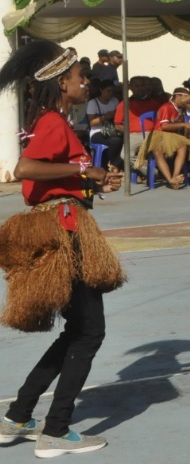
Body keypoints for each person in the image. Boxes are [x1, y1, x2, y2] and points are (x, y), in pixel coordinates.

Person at [0, 41, 125, 457]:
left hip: (62, 223)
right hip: (63, 233)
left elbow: (55, 179)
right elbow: (26, 170)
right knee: (91, 331)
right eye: (80, 78)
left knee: (78, 330)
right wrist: (79, 169)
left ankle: (18, 415)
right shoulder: (53, 123)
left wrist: (94, 181)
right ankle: (56, 430)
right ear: (61, 83)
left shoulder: (49, 121)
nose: (86, 83)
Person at [140, 85, 190, 189]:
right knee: (158, 152)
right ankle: (170, 180)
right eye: (185, 98)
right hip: (159, 134)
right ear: (178, 96)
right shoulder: (166, 107)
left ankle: (175, 176)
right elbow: (164, 126)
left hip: (173, 136)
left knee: (183, 147)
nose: (187, 101)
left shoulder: (181, 110)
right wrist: (182, 125)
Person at [85, 82, 123, 170]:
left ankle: (114, 165)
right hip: (97, 132)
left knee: (127, 141)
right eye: (108, 91)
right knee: (115, 142)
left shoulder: (114, 101)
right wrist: (104, 117)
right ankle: (110, 164)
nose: (110, 94)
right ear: (101, 90)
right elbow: (92, 122)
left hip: (112, 130)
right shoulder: (93, 103)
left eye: (112, 91)